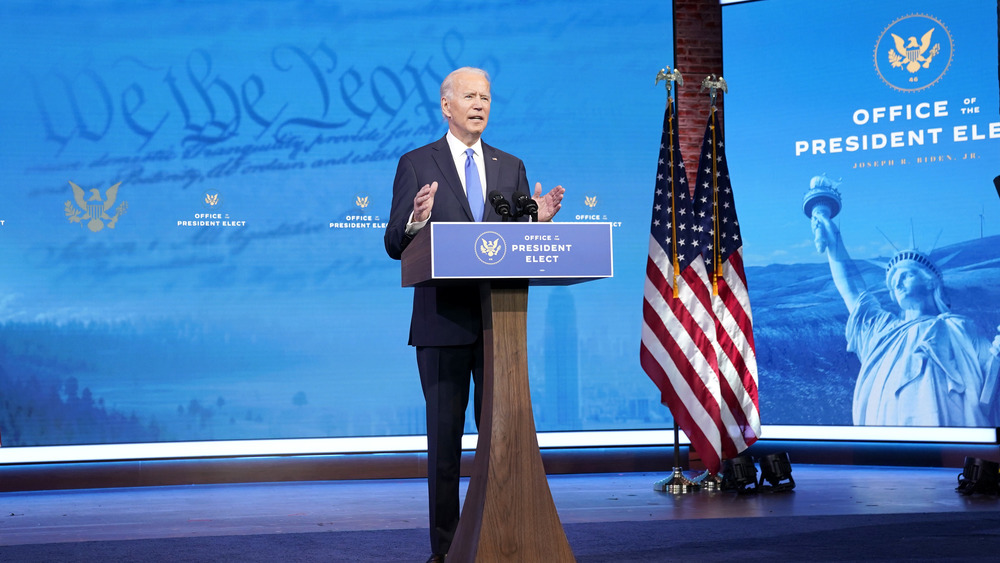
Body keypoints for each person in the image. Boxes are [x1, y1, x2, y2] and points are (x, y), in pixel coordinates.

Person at [383, 67, 564, 563]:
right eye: (469, 97)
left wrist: (538, 222)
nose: (479, 104)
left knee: (501, 442)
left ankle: (501, 542)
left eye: (486, 97)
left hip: (499, 326)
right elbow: (394, 243)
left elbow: (517, 243)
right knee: (445, 447)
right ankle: (447, 552)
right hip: (442, 324)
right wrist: (418, 218)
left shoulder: (511, 166)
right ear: (446, 106)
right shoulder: (417, 164)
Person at [809, 188, 1000, 427]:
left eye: (906, 275)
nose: (897, 283)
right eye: (892, 281)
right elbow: (852, 289)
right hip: (888, 436)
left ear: (930, 281)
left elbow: (990, 373)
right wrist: (833, 239)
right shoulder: (882, 330)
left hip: (949, 435)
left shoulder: (958, 328)